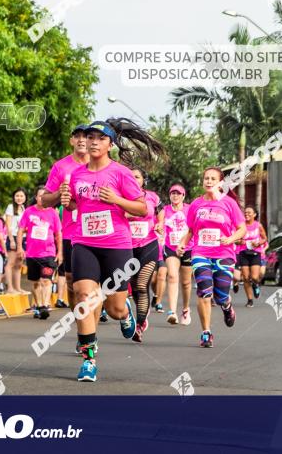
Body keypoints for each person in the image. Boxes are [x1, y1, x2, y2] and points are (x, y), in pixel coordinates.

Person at [59, 118, 165, 382]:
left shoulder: (120, 173)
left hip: (116, 245)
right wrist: (67, 201)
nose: (94, 142)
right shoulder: (79, 174)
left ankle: (126, 312)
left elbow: (143, 209)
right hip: (84, 243)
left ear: (110, 144)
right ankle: (89, 359)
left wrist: (116, 199)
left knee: (115, 308)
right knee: (84, 296)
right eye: (91, 137)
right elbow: (75, 205)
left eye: (100, 138)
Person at [177, 167, 245, 348]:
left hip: (224, 253)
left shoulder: (229, 203)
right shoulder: (196, 205)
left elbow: (242, 229)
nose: (208, 181)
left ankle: (226, 306)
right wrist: (183, 243)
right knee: (204, 291)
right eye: (206, 178)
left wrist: (230, 239)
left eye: (213, 178)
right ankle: (206, 332)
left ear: (220, 182)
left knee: (221, 294)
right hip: (200, 252)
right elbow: (191, 230)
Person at [42, 124, 89, 311]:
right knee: (70, 279)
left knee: (91, 281)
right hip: (71, 232)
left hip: (95, 232)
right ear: (72, 141)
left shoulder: (100, 164)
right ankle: (79, 320)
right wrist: (58, 194)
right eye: (77, 136)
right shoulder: (61, 167)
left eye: (86, 136)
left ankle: (90, 319)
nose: (81, 140)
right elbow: (45, 200)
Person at [125, 168, 160, 342]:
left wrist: (126, 213)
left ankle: (138, 326)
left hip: (148, 245)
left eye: (137, 176)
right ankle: (142, 314)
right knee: (133, 286)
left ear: (143, 180)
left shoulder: (151, 196)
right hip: (127, 247)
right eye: (130, 177)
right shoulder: (121, 196)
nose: (133, 179)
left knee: (141, 284)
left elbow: (151, 213)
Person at [17, 186, 62, 320]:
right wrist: (20, 248)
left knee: (46, 281)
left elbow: (58, 234)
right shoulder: (29, 212)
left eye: (44, 196)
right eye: (39, 196)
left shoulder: (53, 213)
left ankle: (45, 305)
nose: (42, 198)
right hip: (32, 254)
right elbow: (20, 231)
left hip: (48, 253)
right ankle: (39, 305)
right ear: (36, 197)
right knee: (36, 282)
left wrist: (60, 253)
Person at [157, 183, 193, 325]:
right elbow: (159, 223)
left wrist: (183, 243)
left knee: (186, 282)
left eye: (178, 193)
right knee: (172, 276)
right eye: (173, 193)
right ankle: (172, 311)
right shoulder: (164, 210)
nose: (175, 195)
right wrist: (159, 227)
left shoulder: (190, 209)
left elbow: (193, 228)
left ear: (183, 196)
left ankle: (185, 309)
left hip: (188, 247)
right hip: (171, 247)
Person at [236, 206, 267, 307]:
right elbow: (235, 239)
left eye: (249, 213)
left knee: (254, 277)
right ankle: (250, 300)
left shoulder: (258, 226)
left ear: (254, 214)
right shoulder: (241, 226)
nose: (246, 214)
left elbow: (264, 238)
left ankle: (255, 284)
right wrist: (241, 241)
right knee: (245, 277)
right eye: (245, 213)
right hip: (243, 252)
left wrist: (258, 243)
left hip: (255, 253)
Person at [3, 188, 27, 295]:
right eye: (17, 196)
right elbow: (8, 225)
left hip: (23, 238)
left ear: (25, 197)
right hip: (13, 237)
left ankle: (18, 288)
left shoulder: (24, 208)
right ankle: (10, 288)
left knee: (19, 264)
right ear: (14, 197)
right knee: (10, 263)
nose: (19, 198)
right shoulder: (10, 207)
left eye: (21, 196)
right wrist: (11, 240)